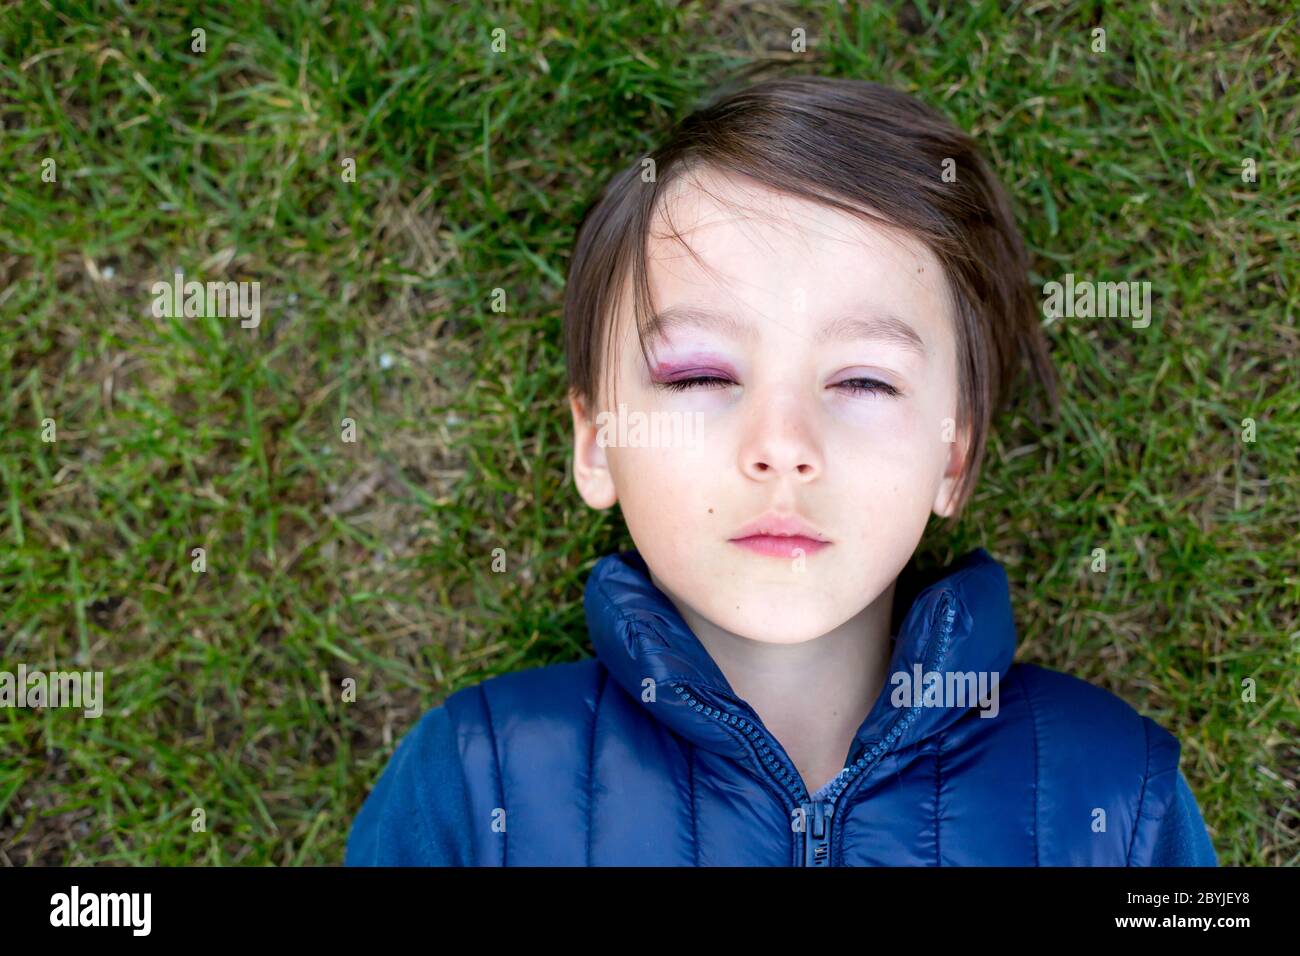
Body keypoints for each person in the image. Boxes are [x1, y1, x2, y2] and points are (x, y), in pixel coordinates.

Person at [346, 75, 1217, 866]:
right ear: (598, 441)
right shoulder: (472, 779)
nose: (784, 442)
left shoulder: (1120, 793)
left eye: (865, 380)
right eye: (700, 375)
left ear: (954, 456)